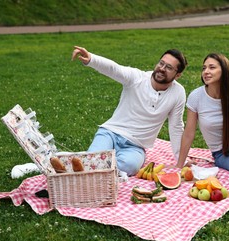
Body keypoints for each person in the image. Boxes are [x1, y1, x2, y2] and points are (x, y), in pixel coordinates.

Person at [71, 46, 188, 177]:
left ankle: (96, 171)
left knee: (130, 166)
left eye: (169, 67)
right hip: (110, 133)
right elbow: (115, 69)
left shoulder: (178, 93)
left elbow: (176, 127)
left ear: (177, 75)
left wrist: (181, 160)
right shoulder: (137, 78)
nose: (162, 68)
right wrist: (91, 59)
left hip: (135, 146)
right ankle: (82, 166)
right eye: (161, 63)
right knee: (93, 160)